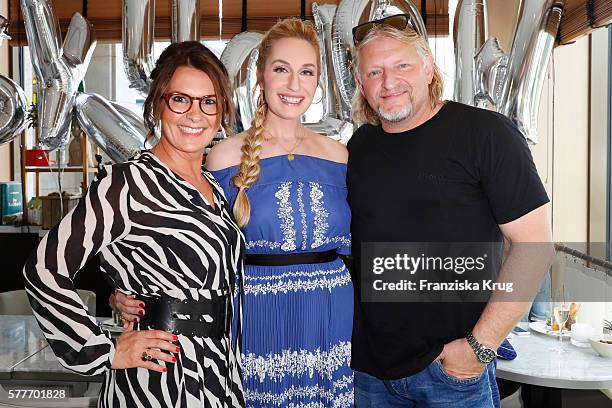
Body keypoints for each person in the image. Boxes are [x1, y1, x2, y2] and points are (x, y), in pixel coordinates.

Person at [115, 18, 354, 407]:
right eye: (281, 70)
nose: (294, 85)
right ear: (261, 76)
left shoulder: (340, 156)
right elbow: (177, 238)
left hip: (330, 314)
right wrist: (124, 292)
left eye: (306, 72)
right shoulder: (223, 156)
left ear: (318, 82)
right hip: (255, 317)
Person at [23, 41, 245, 407]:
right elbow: (44, 269)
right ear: (158, 104)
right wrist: (104, 350)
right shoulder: (127, 183)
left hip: (219, 369)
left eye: (209, 101)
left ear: (221, 111)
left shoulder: (214, 189)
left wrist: (118, 293)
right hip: (159, 378)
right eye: (180, 99)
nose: (195, 114)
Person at [347, 16, 554, 407]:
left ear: (428, 68)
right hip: (371, 373)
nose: (389, 83)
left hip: (450, 372)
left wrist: (480, 346)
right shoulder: (359, 148)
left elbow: (535, 246)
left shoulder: (486, 134)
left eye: (402, 66)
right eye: (374, 72)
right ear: (361, 84)